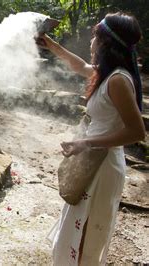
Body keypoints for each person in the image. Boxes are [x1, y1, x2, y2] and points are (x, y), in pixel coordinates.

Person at [38, 13, 146, 265]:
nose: (91, 39)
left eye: (96, 34)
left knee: (84, 234)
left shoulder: (118, 80)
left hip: (103, 165)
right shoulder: (107, 74)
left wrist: (85, 142)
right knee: (77, 228)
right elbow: (79, 67)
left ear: (107, 42)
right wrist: (50, 44)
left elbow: (137, 131)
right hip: (93, 160)